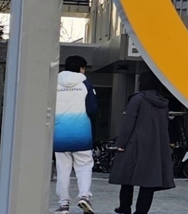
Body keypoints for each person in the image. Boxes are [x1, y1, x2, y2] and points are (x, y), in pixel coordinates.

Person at [109, 72, 175, 214]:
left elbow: (128, 123)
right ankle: (141, 211)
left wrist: (121, 143)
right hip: (154, 147)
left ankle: (124, 207)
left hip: (134, 144)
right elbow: (165, 125)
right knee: (149, 181)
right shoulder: (163, 102)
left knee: (127, 177)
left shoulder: (138, 99)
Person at [52, 55, 98, 214]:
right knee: (84, 167)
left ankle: (64, 204)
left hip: (60, 133)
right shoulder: (86, 84)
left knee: (63, 170)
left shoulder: (54, 84)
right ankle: (84, 196)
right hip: (82, 133)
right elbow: (92, 109)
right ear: (81, 68)